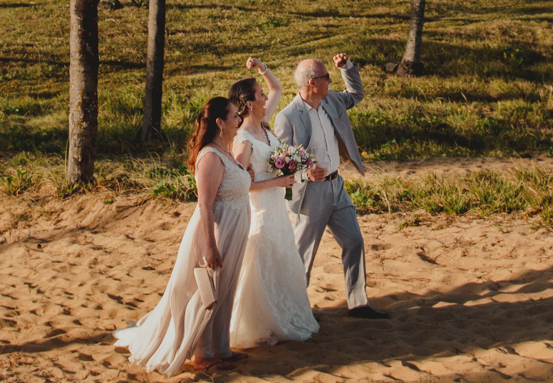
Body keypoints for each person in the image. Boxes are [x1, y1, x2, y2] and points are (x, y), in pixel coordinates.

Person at [115, 98, 251, 375]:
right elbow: (205, 205)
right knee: (206, 294)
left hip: (235, 230)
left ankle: (221, 347)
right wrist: (210, 246)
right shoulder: (211, 156)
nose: (239, 120)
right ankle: (204, 355)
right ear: (220, 122)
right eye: (235, 116)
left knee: (226, 290)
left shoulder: (224, 152)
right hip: (217, 231)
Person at [274, 54, 388, 320]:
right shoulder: (288, 116)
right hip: (310, 194)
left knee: (354, 241)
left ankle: (358, 303)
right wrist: (305, 172)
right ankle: (296, 309)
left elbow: (356, 94)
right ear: (313, 82)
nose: (330, 81)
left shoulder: (332, 99)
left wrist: (346, 68)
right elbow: (281, 161)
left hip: (337, 186)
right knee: (304, 253)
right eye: (327, 77)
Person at [228, 59, 320, 348]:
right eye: (260, 94)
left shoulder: (265, 127)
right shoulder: (243, 142)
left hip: (277, 207)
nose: (267, 97)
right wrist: (277, 182)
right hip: (261, 211)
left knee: (281, 256)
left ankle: (283, 313)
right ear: (249, 104)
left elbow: (277, 87)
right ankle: (260, 321)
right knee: (261, 261)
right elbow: (240, 187)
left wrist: (262, 68)